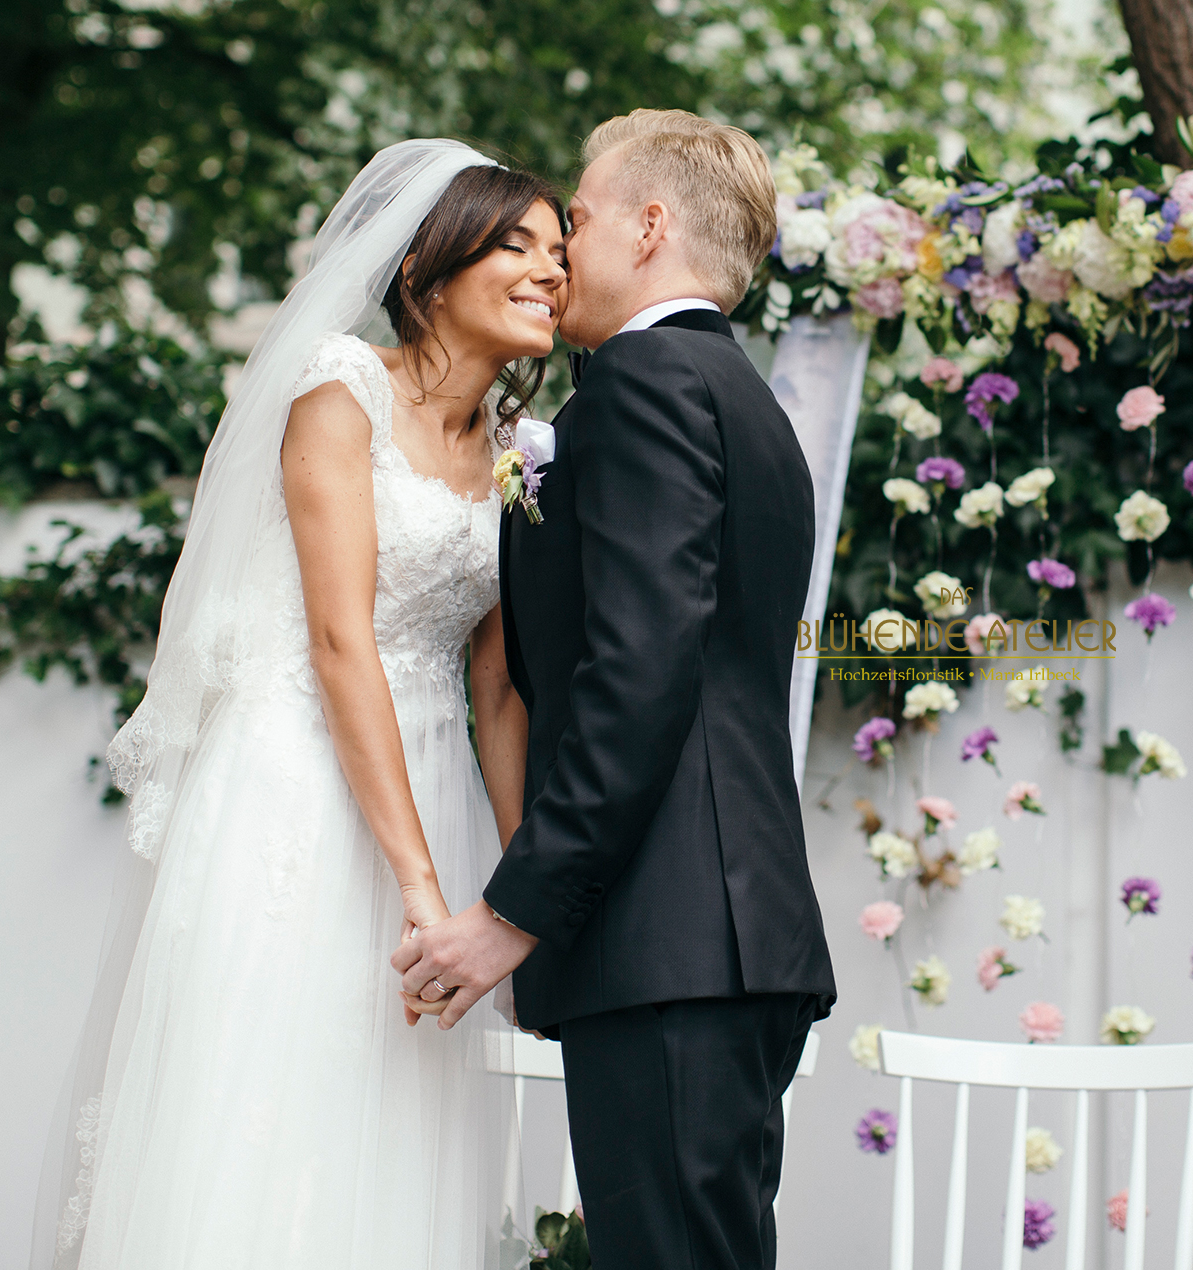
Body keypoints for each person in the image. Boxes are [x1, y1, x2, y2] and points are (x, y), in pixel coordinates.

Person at [31, 141, 564, 1269]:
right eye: (517, 243)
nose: (550, 270)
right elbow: (338, 644)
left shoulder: (518, 448)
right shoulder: (340, 390)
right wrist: (419, 886)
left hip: (435, 782)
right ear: (427, 263)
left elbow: (499, 686)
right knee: (271, 1089)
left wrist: (515, 890)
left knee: (396, 1112)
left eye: (560, 250)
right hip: (298, 783)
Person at [391, 108, 836, 1270]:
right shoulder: (744, 402)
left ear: (648, 227)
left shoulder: (641, 384)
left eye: (576, 220)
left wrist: (513, 909)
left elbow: (640, 672)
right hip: (724, 938)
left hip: (671, 939)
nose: (558, 252)